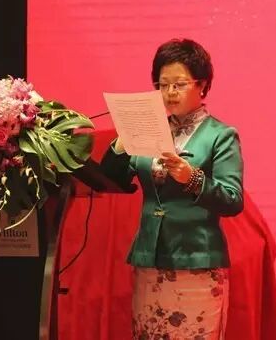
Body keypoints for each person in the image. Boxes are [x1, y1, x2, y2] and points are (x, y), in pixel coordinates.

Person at [100, 38, 244, 340]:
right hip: (150, 260)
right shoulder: (152, 128)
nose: (169, 92)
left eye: (179, 84)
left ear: (202, 85)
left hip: (197, 263)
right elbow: (112, 180)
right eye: (162, 85)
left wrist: (192, 178)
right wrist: (121, 143)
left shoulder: (221, 135)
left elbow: (232, 200)